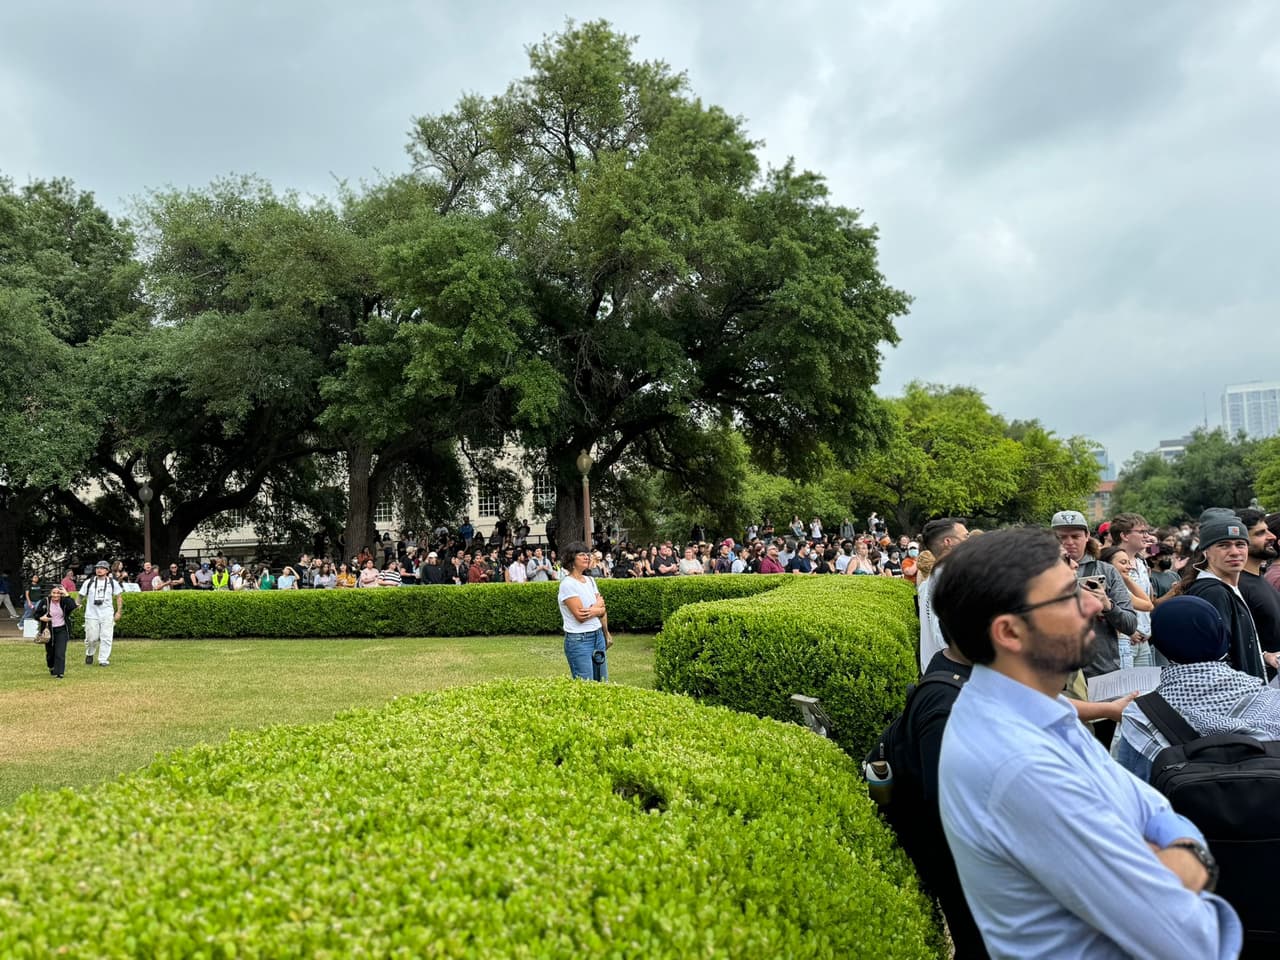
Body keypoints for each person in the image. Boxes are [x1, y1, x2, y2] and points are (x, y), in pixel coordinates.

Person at [933, 527, 1242, 959]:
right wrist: (1189, 856)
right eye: (1066, 597)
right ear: (1010, 633)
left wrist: (1173, 850)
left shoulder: (1036, 710)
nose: (1095, 604)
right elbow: (1191, 940)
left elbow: (1151, 808)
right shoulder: (1023, 766)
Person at [1117, 595, 1280, 782]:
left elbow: (1132, 785)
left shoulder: (1141, 714)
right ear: (1222, 636)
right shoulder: (1270, 700)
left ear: (1161, 644)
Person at [1177, 511, 1266, 680]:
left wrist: (1262, 655)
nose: (1234, 552)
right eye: (1223, 545)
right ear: (1205, 552)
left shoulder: (1226, 588)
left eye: (1240, 544)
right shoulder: (1213, 592)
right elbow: (1215, 660)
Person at [1050, 510, 1137, 680]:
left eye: (1075, 536)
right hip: (1058, 673)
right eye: (1062, 537)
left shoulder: (1107, 571)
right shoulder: (1040, 572)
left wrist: (1108, 605)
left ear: (1087, 535)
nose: (1069, 543)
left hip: (1102, 671)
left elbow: (1130, 624)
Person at [915, 518, 970, 672]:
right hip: (952, 675)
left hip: (938, 672)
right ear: (948, 542)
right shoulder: (949, 582)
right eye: (966, 537)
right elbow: (942, 636)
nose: (970, 542)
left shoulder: (930, 582)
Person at [557, 541, 612, 681]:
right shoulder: (568, 584)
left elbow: (603, 609)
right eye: (582, 555)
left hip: (597, 636)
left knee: (602, 682)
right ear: (571, 559)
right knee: (586, 684)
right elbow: (581, 616)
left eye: (587, 554)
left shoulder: (590, 581)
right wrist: (596, 609)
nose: (587, 557)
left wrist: (606, 634)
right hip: (579, 640)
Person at [1236, 507, 1280, 671]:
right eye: (1260, 533)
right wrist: (1264, 656)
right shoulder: (1237, 586)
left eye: (1268, 530)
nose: (1272, 537)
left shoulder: (1259, 579)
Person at [79, 559, 124, 667]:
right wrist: (78, 604)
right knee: (91, 638)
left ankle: (103, 659)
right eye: (98, 568)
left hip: (107, 613)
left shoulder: (112, 583)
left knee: (106, 637)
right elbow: (81, 595)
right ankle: (89, 653)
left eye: (102, 568)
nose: (99, 570)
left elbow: (118, 597)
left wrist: (118, 611)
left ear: (107, 570)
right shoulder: (88, 582)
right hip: (91, 614)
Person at [33, 584, 78, 679]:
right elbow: (36, 615)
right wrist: (42, 618)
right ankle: (51, 667)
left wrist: (67, 594)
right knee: (50, 653)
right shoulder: (44, 602)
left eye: (58, 593)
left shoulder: (64, 601)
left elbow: (73, 606)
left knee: (60, 652)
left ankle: (59, 673)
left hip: (62, 630)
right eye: (54, 593)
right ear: (50, 593)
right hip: (49, 630)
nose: (56, 595)